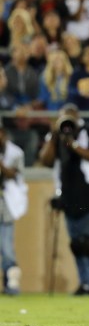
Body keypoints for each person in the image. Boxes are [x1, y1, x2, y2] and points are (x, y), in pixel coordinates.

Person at [39, 104, 89, 295]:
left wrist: (74, 145)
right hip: (70, 199)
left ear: (78, 118)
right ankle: (84, 283)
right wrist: (54, 137)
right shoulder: (56, 137)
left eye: (70, 118)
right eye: (63, 119)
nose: (67, 123)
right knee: (76, 244)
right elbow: (45, 160)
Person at [0, 123, 27, 295]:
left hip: (6, 202)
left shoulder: (15, 152)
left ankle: (12, 284)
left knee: (6, 247)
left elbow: (12, 174)